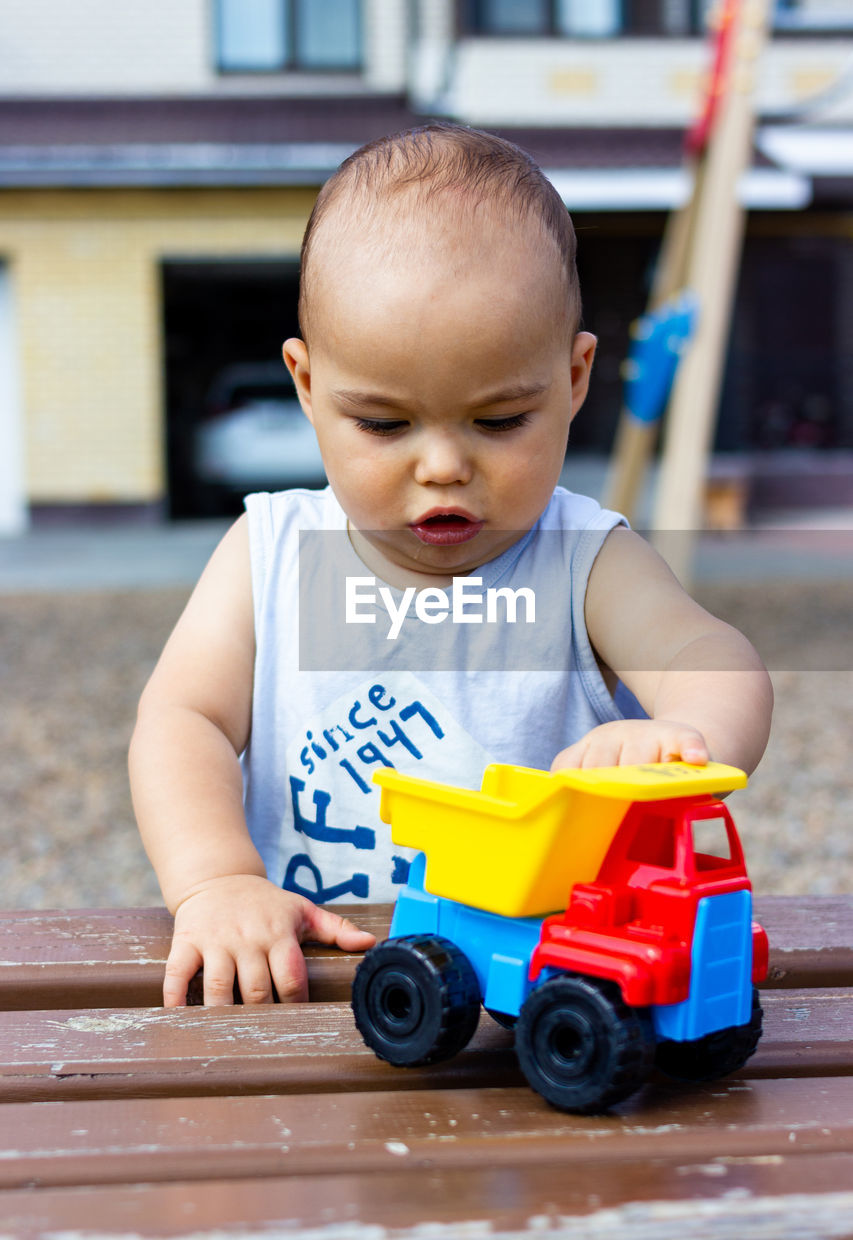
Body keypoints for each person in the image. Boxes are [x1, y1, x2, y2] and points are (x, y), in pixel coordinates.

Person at [130, 123, 772, 1009]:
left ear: (575, 376)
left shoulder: (584, 561)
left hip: (540, 982)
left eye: (499, 421)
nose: (441, 466)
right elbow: (183, 719)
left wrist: (675, 743)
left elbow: (716, 660)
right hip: (310, 976)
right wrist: (215, 880)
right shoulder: (271, 551)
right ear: (308, 385)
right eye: (384, 425)